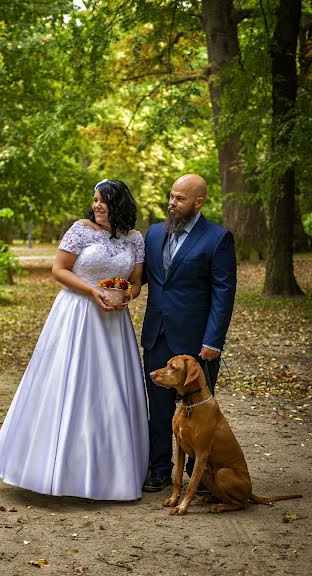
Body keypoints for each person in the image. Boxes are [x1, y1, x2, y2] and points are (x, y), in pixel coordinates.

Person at [0, 179, 149, 501]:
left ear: (119, 204)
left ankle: (111, 473)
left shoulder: (135, 239)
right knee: (69, 383)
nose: (97, 206)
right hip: (77, 314)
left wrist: (125, 294)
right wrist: (93, 291)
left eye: (103, 201)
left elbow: (136, 281)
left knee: (110, 391)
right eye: (94, 200)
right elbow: (59, 270)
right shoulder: (80, 229)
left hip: (114, 323)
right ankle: (54, 468)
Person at [141, 174, 237, 492]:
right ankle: (158, 470)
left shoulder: (217, 238)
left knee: (198, 412)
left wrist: (213, 340)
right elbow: (141, 278)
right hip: (157, 335)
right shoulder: (154, 233)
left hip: (197, 344)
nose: (172, 203)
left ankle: (201, 473)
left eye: (180, 199)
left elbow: (224, 292)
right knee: (159, 408)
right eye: (171, 196)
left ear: (199, 202)